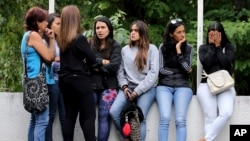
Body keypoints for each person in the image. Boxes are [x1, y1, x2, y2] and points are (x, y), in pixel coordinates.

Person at [58, 5, 104, 141]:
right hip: (80, 80)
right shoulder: (79, 38)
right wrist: (86, 62)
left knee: (69, 116)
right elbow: (93, 59)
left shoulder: (61, 39)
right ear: (76, 19)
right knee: (89, 116)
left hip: (64, 80)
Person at [109, 20, 159, 141]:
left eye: (136, 30)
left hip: (146, 89)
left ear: (143, 32)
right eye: (131, 30)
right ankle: (127, 139)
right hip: (128, 88)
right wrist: (125, 87)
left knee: (139, 118)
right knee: (114, 111)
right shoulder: (125, 50)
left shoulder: (152, 49)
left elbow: (153, 74)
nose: (132, 32)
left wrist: (137, 91)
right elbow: (120, 72)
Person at [20, 6, 55, 141]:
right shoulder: (34, 35)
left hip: (30, 82)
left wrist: (50, 39)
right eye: (44, 20)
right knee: (42, 121)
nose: (47, 23)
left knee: (35, 120)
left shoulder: (26, 36)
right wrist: (51, 40)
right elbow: (49, 58)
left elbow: (48, 57)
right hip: (37, 83)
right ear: (37, 22)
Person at [197, 21, 236, 141]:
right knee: (210, 117)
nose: (214, 36)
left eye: (216, 34)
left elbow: (225, 63)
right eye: (211, 33)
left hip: (226, 85)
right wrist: (212, 47)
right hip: (206, 85)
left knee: (226, 113)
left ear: (221, 34)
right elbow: (207, 63)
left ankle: (206, 139)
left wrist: (219, 47)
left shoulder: (229, 47)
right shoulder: (203, 48)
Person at [156, 18, 193, 141]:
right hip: (164, 86)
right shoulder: (162, 47)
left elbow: (187, 68)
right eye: (179, 32)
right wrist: (179, 72)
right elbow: (161, 70)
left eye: (183, 31)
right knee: (165, 118)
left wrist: (178, 51)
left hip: (183, 86)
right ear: (171, 34)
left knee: (180, 120)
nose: (182, 34)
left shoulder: (189, 48)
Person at [89, 16, 122, 141]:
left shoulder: (115, 46)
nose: (100, 30)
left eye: (103, 27)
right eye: (97, 28)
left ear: (109, 29)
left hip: (109, 87)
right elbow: (86, 63)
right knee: (89, 116)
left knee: (104, 115)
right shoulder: (90, 44)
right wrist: (103, 61)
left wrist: (96, 67)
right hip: (91, 85)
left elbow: (114, 66)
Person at [45, 13, 65, 141]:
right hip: (52, 81)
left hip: (64, 80)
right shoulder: (44, 41)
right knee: (50, 115)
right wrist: (58, 59)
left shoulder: (62, 41)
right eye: (58, 24)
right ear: (49, 25)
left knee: (65, 116)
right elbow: (47, 60)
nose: (61, 26)